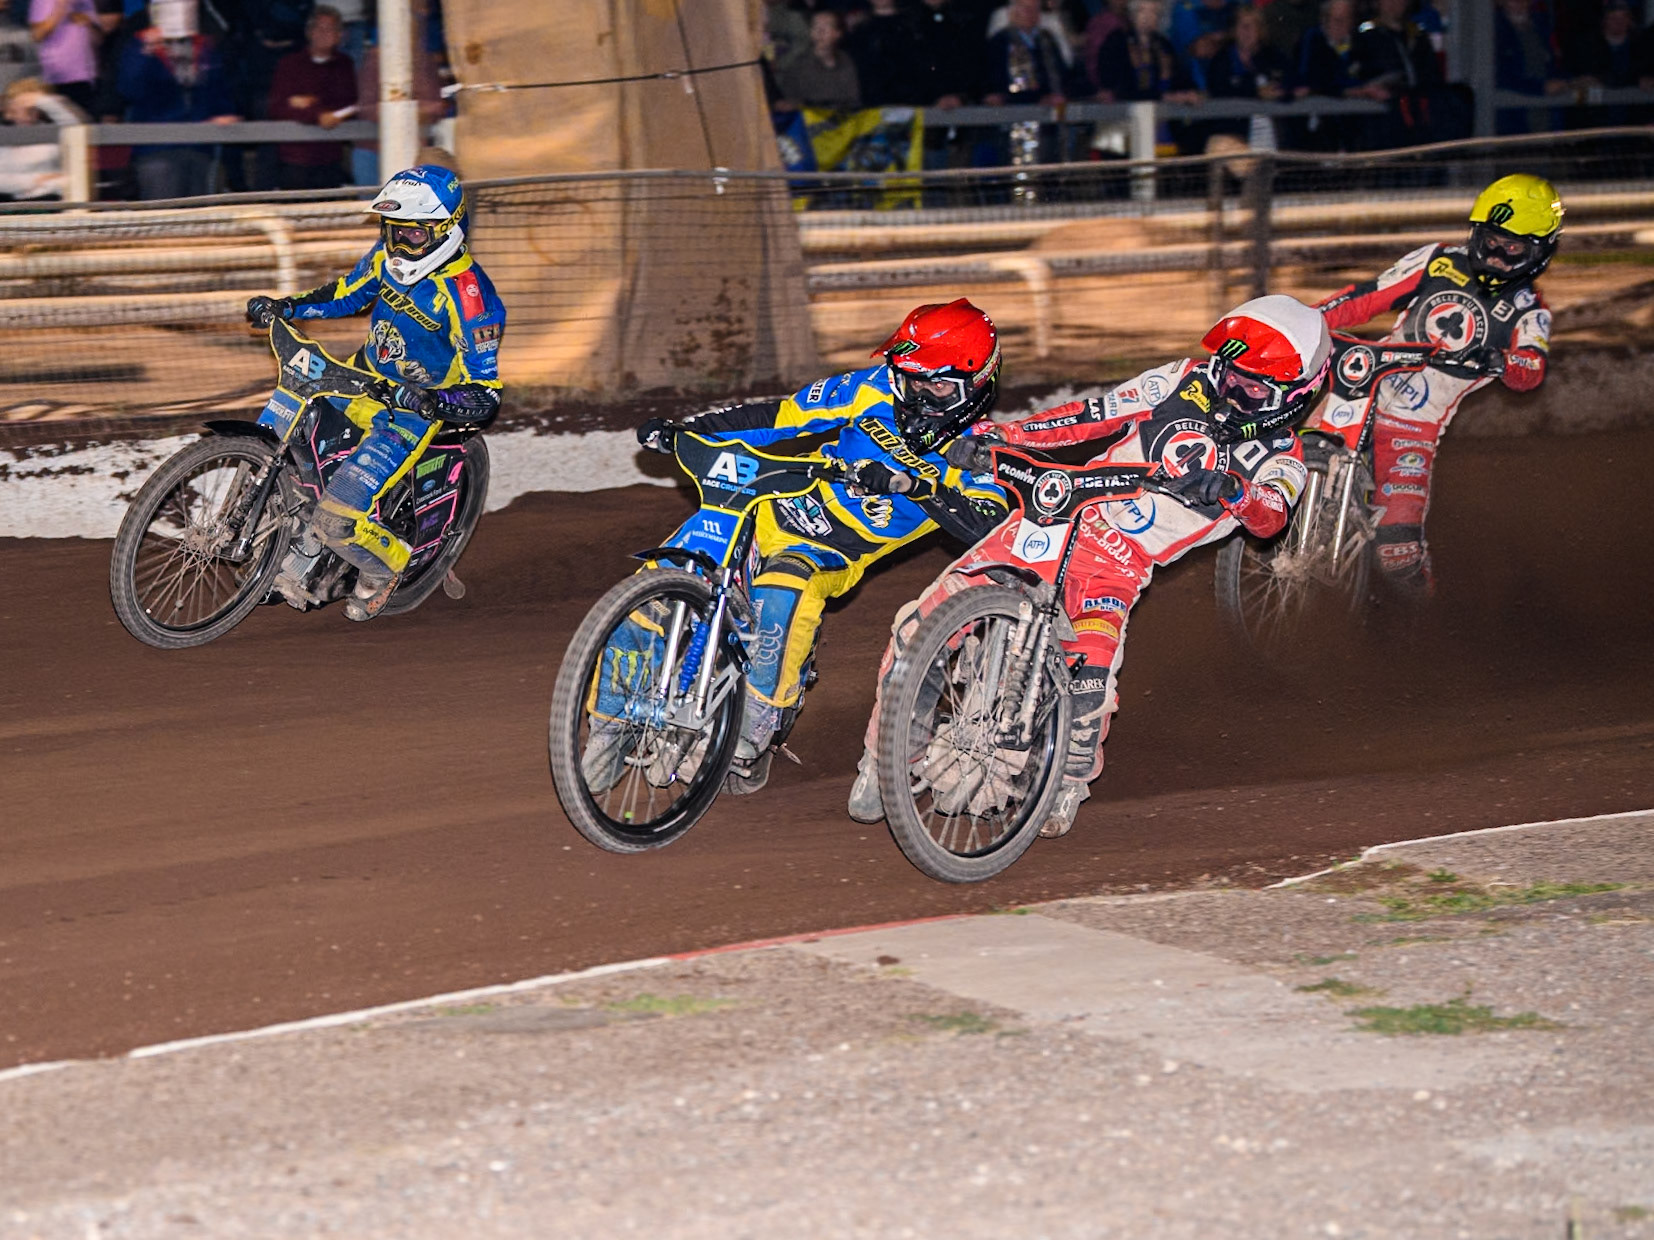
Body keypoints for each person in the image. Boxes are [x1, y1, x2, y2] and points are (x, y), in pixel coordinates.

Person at [849, 295, 1330, 838]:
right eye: (1228, 373)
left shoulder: (1284, 460)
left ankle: (1067, 782)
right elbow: (1090, 416)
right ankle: (883, 759)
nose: (1231, 390)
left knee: (1088, 687)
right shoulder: (1183, 379)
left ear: (1296, 396)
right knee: (920, 622)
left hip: (1116, 566)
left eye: (1252, 387)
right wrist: (1003, 437)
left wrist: (1238, 494)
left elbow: (1271, 518)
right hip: (1057, 515)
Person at [631, 299, 1010, 795]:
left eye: (935, 385)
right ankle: (615, 699)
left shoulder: (983, 451)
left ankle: (756, 725)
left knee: (784, 587)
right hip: (774, 500)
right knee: (678, 560)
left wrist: (912, 487)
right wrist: (691, 428)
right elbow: (783, 415)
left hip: (835, 547)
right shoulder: (868, 389)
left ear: (977, 384)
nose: (916, 395)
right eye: (910, 378)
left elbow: (989, 522)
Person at [245, 165, 507, 621]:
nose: (399, 244)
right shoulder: (386, 258)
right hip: (362, 380)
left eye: (413, 235)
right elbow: (346, 295)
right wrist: (285, 305)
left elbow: (486, 394)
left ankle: (386, 568)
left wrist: (432, 402)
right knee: (296, 460)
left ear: (446, 230)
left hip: (411, 413)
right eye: (393, 231)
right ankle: (289, 553)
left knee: (336, 518)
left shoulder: (471, 298)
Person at [1315, 174, 1561, 595]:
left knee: (1397, 552)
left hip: (1414, 428)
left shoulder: (1530, 310)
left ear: (1538, 250)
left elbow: (1531, 369)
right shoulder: (1437, 261)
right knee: (1290, 470)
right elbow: (1368, 296)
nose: (1499, 253)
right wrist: (1307, 320)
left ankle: (1421, 631)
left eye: (1513, 246)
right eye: (1492, 239)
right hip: (1358, 389)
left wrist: (1498, 359)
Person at [116, 0, 240, 199]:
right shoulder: (139, 45)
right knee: (164, 215)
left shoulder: (205, 46)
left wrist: (224, 114)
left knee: (201, 216)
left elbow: (219, 89)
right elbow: (129, 90)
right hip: (157, 146)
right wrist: (146, 52)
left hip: (201, 144)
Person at [265, 5, 356, 189]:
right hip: (294, 159)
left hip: (329, 157)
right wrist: (317, 115)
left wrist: (311, 105)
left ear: (340, 35)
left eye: (330, 29)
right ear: (309, 32)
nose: (324, 34)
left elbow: (348, 104)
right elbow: (277, 107)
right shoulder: (289, 64)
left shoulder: (344, 65)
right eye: (319, 28)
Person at [775, 9, 861, 110]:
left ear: (837, 33)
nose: (820, 31)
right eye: (816, 26)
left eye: (826, 26)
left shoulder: (846, 61)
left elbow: (854, 100)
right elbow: (789, 102)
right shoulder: (798, 64)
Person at [27, 0, 100, 114]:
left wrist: (89, 23)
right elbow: (37, 34)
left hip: (86, 74)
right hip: (58, 76)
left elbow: (98, 37)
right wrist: (61, 8)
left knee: (85, 124)